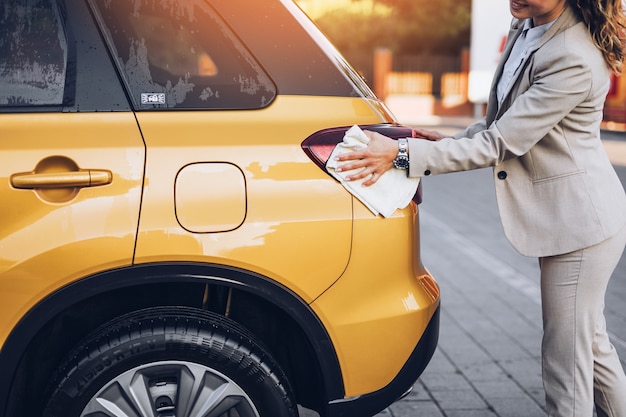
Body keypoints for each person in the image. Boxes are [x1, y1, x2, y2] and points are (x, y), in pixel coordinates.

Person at [334, 0, 626, 416]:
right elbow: (499, 123)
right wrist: (438, 143)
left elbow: (500, 144)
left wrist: (400, 154)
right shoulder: (529, 25)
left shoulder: (573, 56)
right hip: (575, 214)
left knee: (568, 365)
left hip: (582, 226)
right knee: (591, 346)